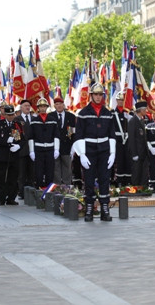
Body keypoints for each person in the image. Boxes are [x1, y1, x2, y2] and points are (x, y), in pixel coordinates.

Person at [73, 83, 116, 222]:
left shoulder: (108, 114)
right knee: (89, 180)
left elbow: (112, 134)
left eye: (100, 95)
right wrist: (82, 154)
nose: (98, 97)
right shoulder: (83, 113)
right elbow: (78, 135)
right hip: (89, 150)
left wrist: (113, 153)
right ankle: (89, 209)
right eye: (96, 94)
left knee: (105, 179)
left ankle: (105, 209)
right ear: (91, 95)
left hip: (104, 150)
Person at [0, 105, 26, 206]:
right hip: (2, 155)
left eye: (12, 114)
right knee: (2, 178)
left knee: (13, 178)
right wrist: (6, 141)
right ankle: (1, 198)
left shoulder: (17, 125)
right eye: (9, 115)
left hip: (13, 155)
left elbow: (22, 139)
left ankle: (11, 198)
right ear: (5, 115)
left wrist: (18, 146)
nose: (11, 117)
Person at [28, 98, 60, 189]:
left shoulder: (52, 120)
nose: (42, 108)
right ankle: (39, 191)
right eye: (41, 106)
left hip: (50, 149)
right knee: (38, 172)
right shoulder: (34, 121)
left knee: (50, 172)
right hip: (38, 150)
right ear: (38, 108)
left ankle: (49, 192)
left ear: (47, 107)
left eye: (44, 106)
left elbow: (56, 135)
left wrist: (56, 149)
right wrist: (31, 151)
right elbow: (31, 137)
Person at [52, 97, 76, 185]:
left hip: (67, 146)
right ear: (54, 106)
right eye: (57, 104)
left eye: (60, 104)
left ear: (63, 105)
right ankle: (57, 187)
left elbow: (73, 132)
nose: (59, 106)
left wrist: (73, 146)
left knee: (67, 167)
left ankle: (67, 187)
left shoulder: (71, 116)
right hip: (55, 147)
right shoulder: (50, 116)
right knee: (56, 168)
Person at [111, 92, 132, 186]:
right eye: (119, 100)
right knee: (119, 161)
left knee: (128, 160)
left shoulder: (129, 112)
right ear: (116, 101)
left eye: (122, 100)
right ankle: (119, 181)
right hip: (118, 140)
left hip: (127, 139)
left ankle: (128, 180)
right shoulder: (112, 113)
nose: (121, 101)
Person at [15, 100, 34, 199]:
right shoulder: (17, 119)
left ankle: (31, 192)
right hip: (21, 150)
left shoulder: (34, 118)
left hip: (32, 150)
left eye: (28, 105)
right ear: (21, 107)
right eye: (25, 105)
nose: (27, 107)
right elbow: (16, 134)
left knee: (32, 172)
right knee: (21, 173)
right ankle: (21, 192)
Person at [128, 101, 149, 189]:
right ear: (140, 110)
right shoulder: (133, 121)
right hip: (137, 152)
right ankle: (135, 190)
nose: (146, 111)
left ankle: (143, 189)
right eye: (145, 109)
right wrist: (134, 154)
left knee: (144, 172)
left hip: (143, 152)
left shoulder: (141, 120)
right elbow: (132, 138)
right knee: (136, 173)